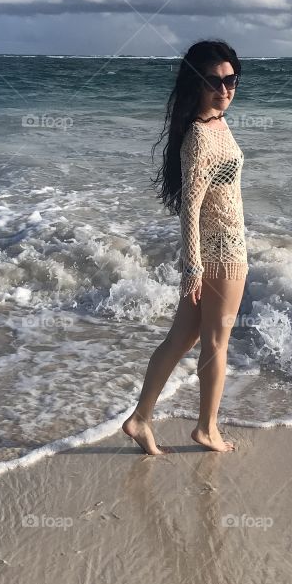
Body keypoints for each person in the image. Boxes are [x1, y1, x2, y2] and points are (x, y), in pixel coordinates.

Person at [123, 40, 248, 455]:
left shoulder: (218, 124)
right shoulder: (199, 135)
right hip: (221, 256)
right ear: (196, 84)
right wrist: (193, 268)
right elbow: (189, 209)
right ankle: (207, 429)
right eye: (214, 82)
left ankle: (140, 419)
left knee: (182, 339)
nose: (225, 89)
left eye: (231, 80)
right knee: (216, 344)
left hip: (222, 249)